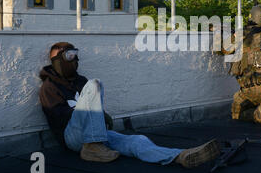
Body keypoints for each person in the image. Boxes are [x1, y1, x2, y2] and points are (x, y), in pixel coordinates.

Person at [39, 42, 220, 166]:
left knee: (137, 141)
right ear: (57, 61)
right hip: (73, 137)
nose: (74, 59)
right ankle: (92, 147)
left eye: (75, 54)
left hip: (94, 135)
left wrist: (100, 117)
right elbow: (60, 118)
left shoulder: (80, 81)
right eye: (68, 56)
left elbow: (90, 108)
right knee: (95, 84)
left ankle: (180, 156)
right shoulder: (49, 87)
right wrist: (95, 116)